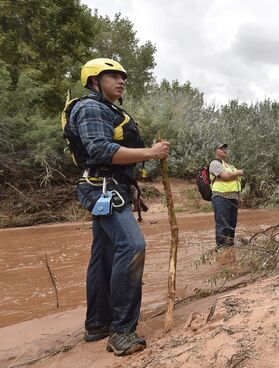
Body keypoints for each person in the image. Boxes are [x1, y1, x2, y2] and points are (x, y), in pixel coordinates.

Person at [66, 58, 170, 356]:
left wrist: (131, 189)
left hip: (111, 188)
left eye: (122, 76)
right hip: (101, 188)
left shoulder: (108, 109)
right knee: (133, 246)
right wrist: (151, 152)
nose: (121, 80)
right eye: (112, 76)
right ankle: (122, 332)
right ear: (94, 81)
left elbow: (114, 158)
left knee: (105, 255)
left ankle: (98, 324)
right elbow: (99, 149)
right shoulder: (91, 107)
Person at [210, 143, 244, 249]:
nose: (224, 150)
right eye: (221, 148)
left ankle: (229, 248)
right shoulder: (215, 163)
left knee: (232, 225)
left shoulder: (230, 166)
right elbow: (225, 176)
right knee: (222, 224)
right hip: (221, 197)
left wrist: (240, 196)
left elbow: (236, 183)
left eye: (225, 148)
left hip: (233, 198)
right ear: (215, 151)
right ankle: (221, 248)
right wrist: (238, 172)